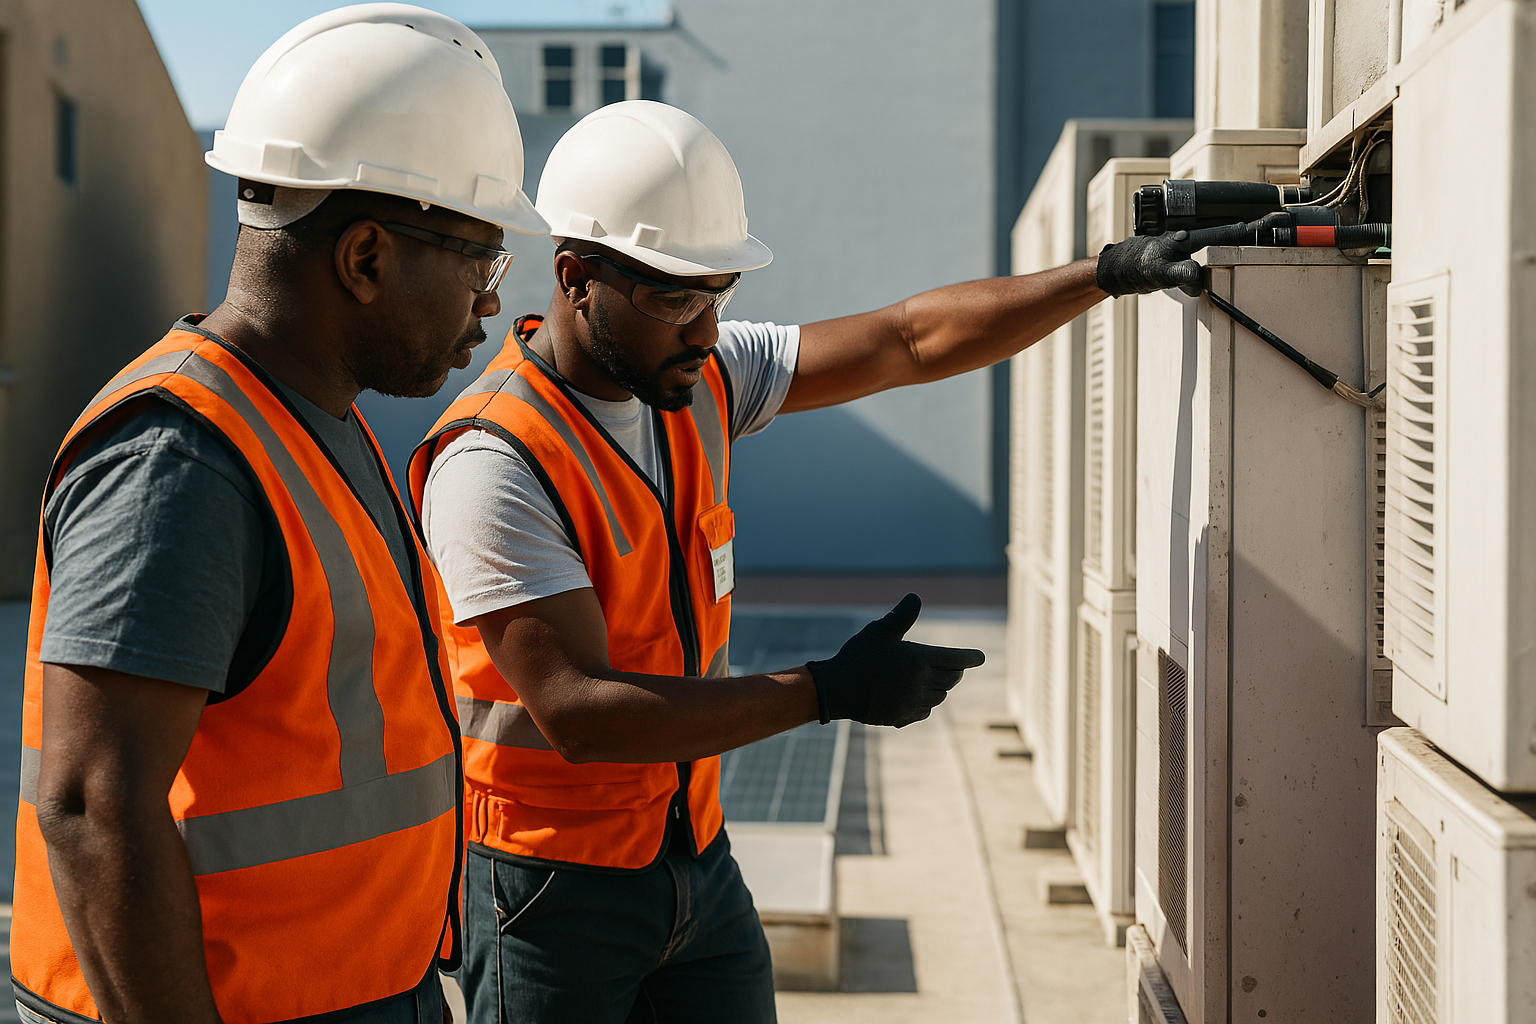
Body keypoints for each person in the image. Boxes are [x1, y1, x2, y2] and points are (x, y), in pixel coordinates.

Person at [409, 101, 1202, 1024]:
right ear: (576, 278)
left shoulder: (697, 380)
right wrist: (826, 690)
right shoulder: (493, 458)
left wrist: (1104, 275)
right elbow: (580, 713)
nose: (706, 331)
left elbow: (906, 341)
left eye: (718, 295)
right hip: (551, 891)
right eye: (675, 298)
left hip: (694, 855)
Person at [9, 7, 550, 1024]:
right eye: (480, 260)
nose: (490, 303)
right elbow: (92, 807)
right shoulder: (181, 460)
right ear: (365, 258)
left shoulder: (315, 421)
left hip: (357, 988)